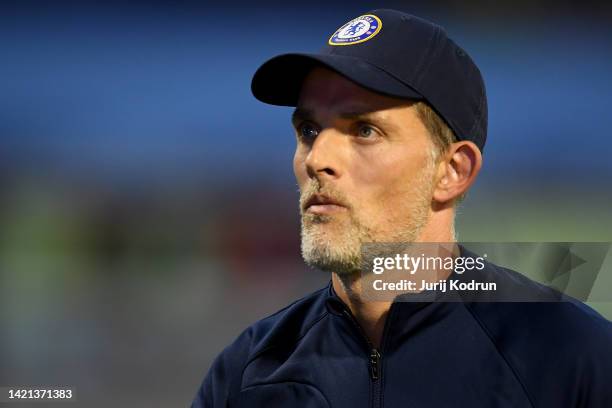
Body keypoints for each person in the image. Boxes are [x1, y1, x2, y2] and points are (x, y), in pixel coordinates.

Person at [192, 9, 612, 407]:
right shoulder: (248, 372)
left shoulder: (568, 357)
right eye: (310, 129)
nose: (318, 157)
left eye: (365, 130)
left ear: (452, 171)